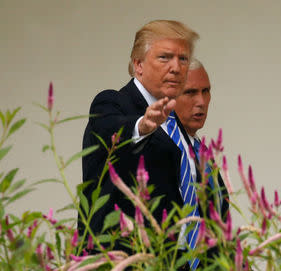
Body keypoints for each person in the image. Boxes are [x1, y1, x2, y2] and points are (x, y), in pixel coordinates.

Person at [80, 20, 200, 263]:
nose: (176, 67)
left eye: (183, 59)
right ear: (138, 65)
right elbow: (111, 128)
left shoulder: (181, 128)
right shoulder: (112, 103)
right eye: (165, 57)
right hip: (122, 259)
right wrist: (142, 126)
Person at [174, 59, 229, 218]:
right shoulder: (162, 148)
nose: (202, 101)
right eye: (190, 92)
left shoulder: (201, 150)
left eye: (206, 91)